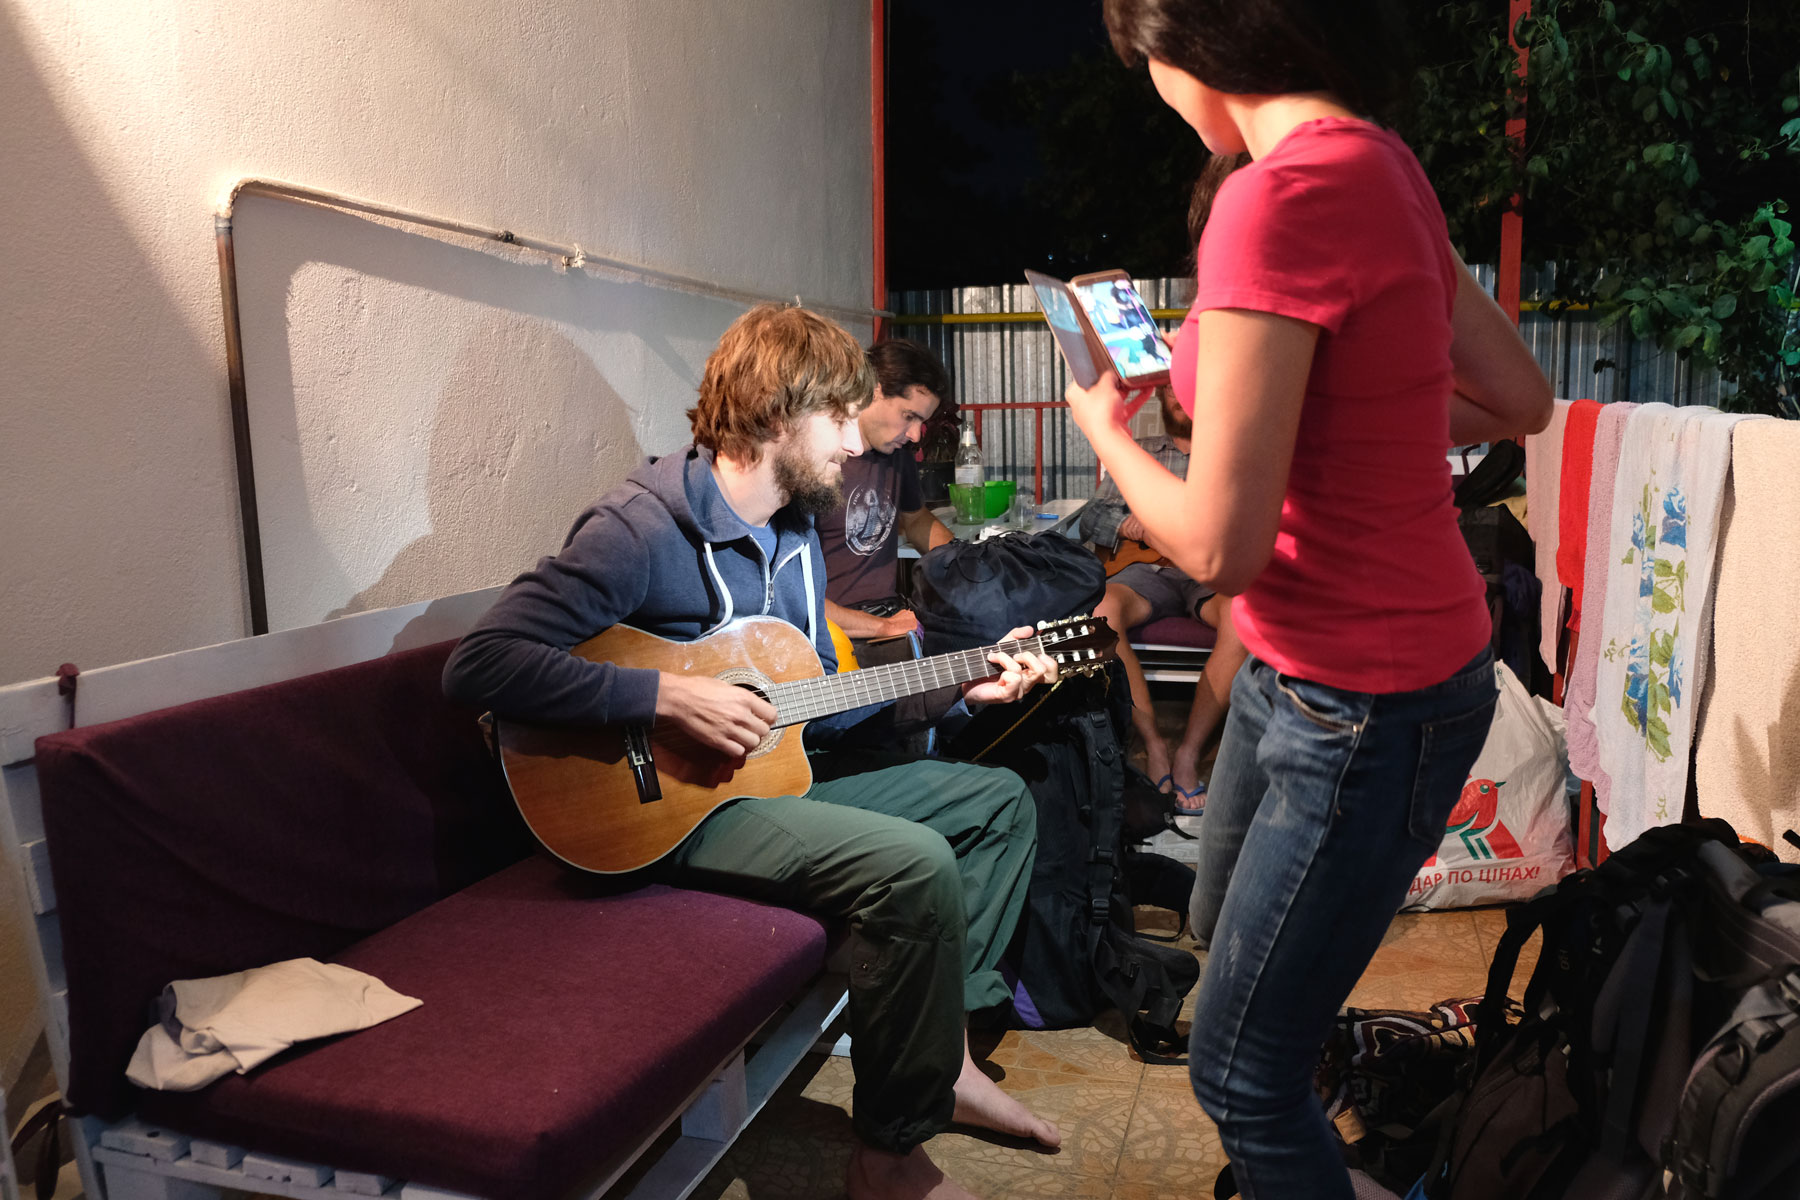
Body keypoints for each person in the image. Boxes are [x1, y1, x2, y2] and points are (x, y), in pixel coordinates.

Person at [1068, 3, 1556, 1196]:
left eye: (1145, 62)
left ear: (1187, 49)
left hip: (1361, 703)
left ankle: (1295, 1155)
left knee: (1237, 1071)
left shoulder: (1266, 197)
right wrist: (1280, 407)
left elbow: (1220, 549)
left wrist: (1106, 435)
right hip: (1352, 675)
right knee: (1226, 948)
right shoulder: (1383, 166)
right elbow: (1515, 401)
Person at [443, 304, 1062, 1200]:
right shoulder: (642, 528)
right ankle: (889, 1158)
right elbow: (482, 665)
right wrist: (665, 695)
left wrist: (958, 686)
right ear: (778, 412)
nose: (859, 441)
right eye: (841, 418)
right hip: (657, 819)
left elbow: (816, 715)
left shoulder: (796, 533)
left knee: (998, 803)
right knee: (917, 864)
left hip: (762, 788)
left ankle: (946, 1063)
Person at [1081, 388, 1249, 811]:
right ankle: (1154, 744)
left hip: (1204, 573)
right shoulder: (1138, 452)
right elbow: (1092, 515)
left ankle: (1189, 751)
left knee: (1245, 616)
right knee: (1102, 611)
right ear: (1159, 397)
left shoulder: (1235, 454)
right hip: (1144, 571)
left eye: (1188, 387)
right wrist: (1135, 529)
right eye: (1169, 390)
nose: (1178, 397)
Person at [816, 338, 956, 642]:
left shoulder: (897, 451)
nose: (916, 434)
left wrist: (965, 563)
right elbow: (796, 599)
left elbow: (916, 520)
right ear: (874, 388)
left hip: (886, 616)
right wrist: (881, 627)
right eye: (909, 416)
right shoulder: (817, 461)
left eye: (922, 421)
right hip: (832, 634)